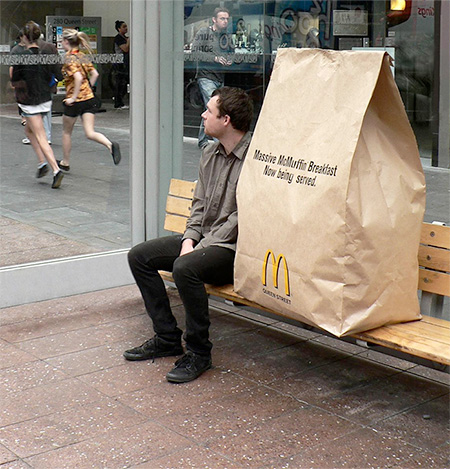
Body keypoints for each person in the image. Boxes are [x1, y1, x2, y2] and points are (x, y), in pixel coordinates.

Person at [125, 87, 253, 383]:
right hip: (204, 241)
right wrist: (188, 240)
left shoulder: (255, 159)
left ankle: (199, 352)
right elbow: (198, 204)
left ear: (226, 120)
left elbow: (242, 217)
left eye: (209, 111)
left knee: (185, 267)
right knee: (140, 256)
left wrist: (200, 247)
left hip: (232, 249)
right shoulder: (209, 153)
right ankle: (167, 337)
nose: (203, 115)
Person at [11, 21, 64, 188]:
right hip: (45, 99)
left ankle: (55, 170)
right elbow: (58, 74)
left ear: (25, 38)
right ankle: (42, 163)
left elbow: (15, 80)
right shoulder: (46, 53)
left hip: (30, 101)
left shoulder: (22, 57)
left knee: (40, 135)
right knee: (29, 130)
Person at [58, 29, 121, 172]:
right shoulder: (82, 56)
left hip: (74, 101)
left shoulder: (69, 58)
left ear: (67, 42)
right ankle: (110, 145)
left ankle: (65, 162)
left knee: (67, 132)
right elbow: (95, 74)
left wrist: (73, 97)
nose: (61, 43)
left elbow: (78, 78)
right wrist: (88, 88)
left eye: (62, 41)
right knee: (90, 132)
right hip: (88, 99)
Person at [191, 7, 234, 149]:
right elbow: (195, 53)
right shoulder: (204, 33)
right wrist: (215, 58)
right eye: (222, 18)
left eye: (227, 18)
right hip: (206, 76)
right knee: (216, 108)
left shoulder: (226, 37)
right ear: (214, 20)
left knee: (208, 109)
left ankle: (202, 141)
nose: (225, 21)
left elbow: (232, 52)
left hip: (220, 76)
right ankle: (219, 143)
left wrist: (229, 59)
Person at [113, 20, 129, 110]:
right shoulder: (119, 38)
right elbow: (125, 49)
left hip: (125, 62)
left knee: (124, 82)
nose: (126, 28)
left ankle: (120, 101)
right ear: (119, 29)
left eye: (126, 26)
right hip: (120, 63)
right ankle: (118, 102)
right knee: (120, 82)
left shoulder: (125, 38)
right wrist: (129, 41)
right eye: (124, 27)